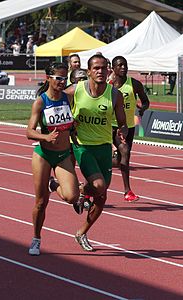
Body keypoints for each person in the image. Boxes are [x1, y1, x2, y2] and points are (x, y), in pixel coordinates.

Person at [64, 54, 127, 251]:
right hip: (82, 145)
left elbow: (122, 123)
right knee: (99, 185)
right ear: (89, 71)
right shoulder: (76, 90)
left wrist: (121, 134)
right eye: (96, 68)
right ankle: (81, 191)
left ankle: (81, 232)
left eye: (103, 68)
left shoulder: (114, 94)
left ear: (108, 70)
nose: (100, 71)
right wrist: (68, 124)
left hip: (104, 147)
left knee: (102, 196)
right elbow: (55, 103)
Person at [26, 62, 80, 256]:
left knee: (72, 196)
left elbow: (71, 123)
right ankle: (36, 238)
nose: (62, 82)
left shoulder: (68, 97)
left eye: (65, 78)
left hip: (64, 153)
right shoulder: (40, 102)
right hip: (44, 155)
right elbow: (29, 132)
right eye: (58, 78)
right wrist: (45, 137)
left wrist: (74, 128)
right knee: (41, 203)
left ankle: (53, 185)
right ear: (48, 78)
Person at [111, 56, 150, 202]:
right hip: (112, 126)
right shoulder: (109, 85)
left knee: (122, 159)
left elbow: (146, 101)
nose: (123, 68)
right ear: (113, 68)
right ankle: (127, 191)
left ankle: (108, 163)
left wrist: (142, 109)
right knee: (125, 151)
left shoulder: (134, 84)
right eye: (119, 65)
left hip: (129, 127)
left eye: (125, 65)